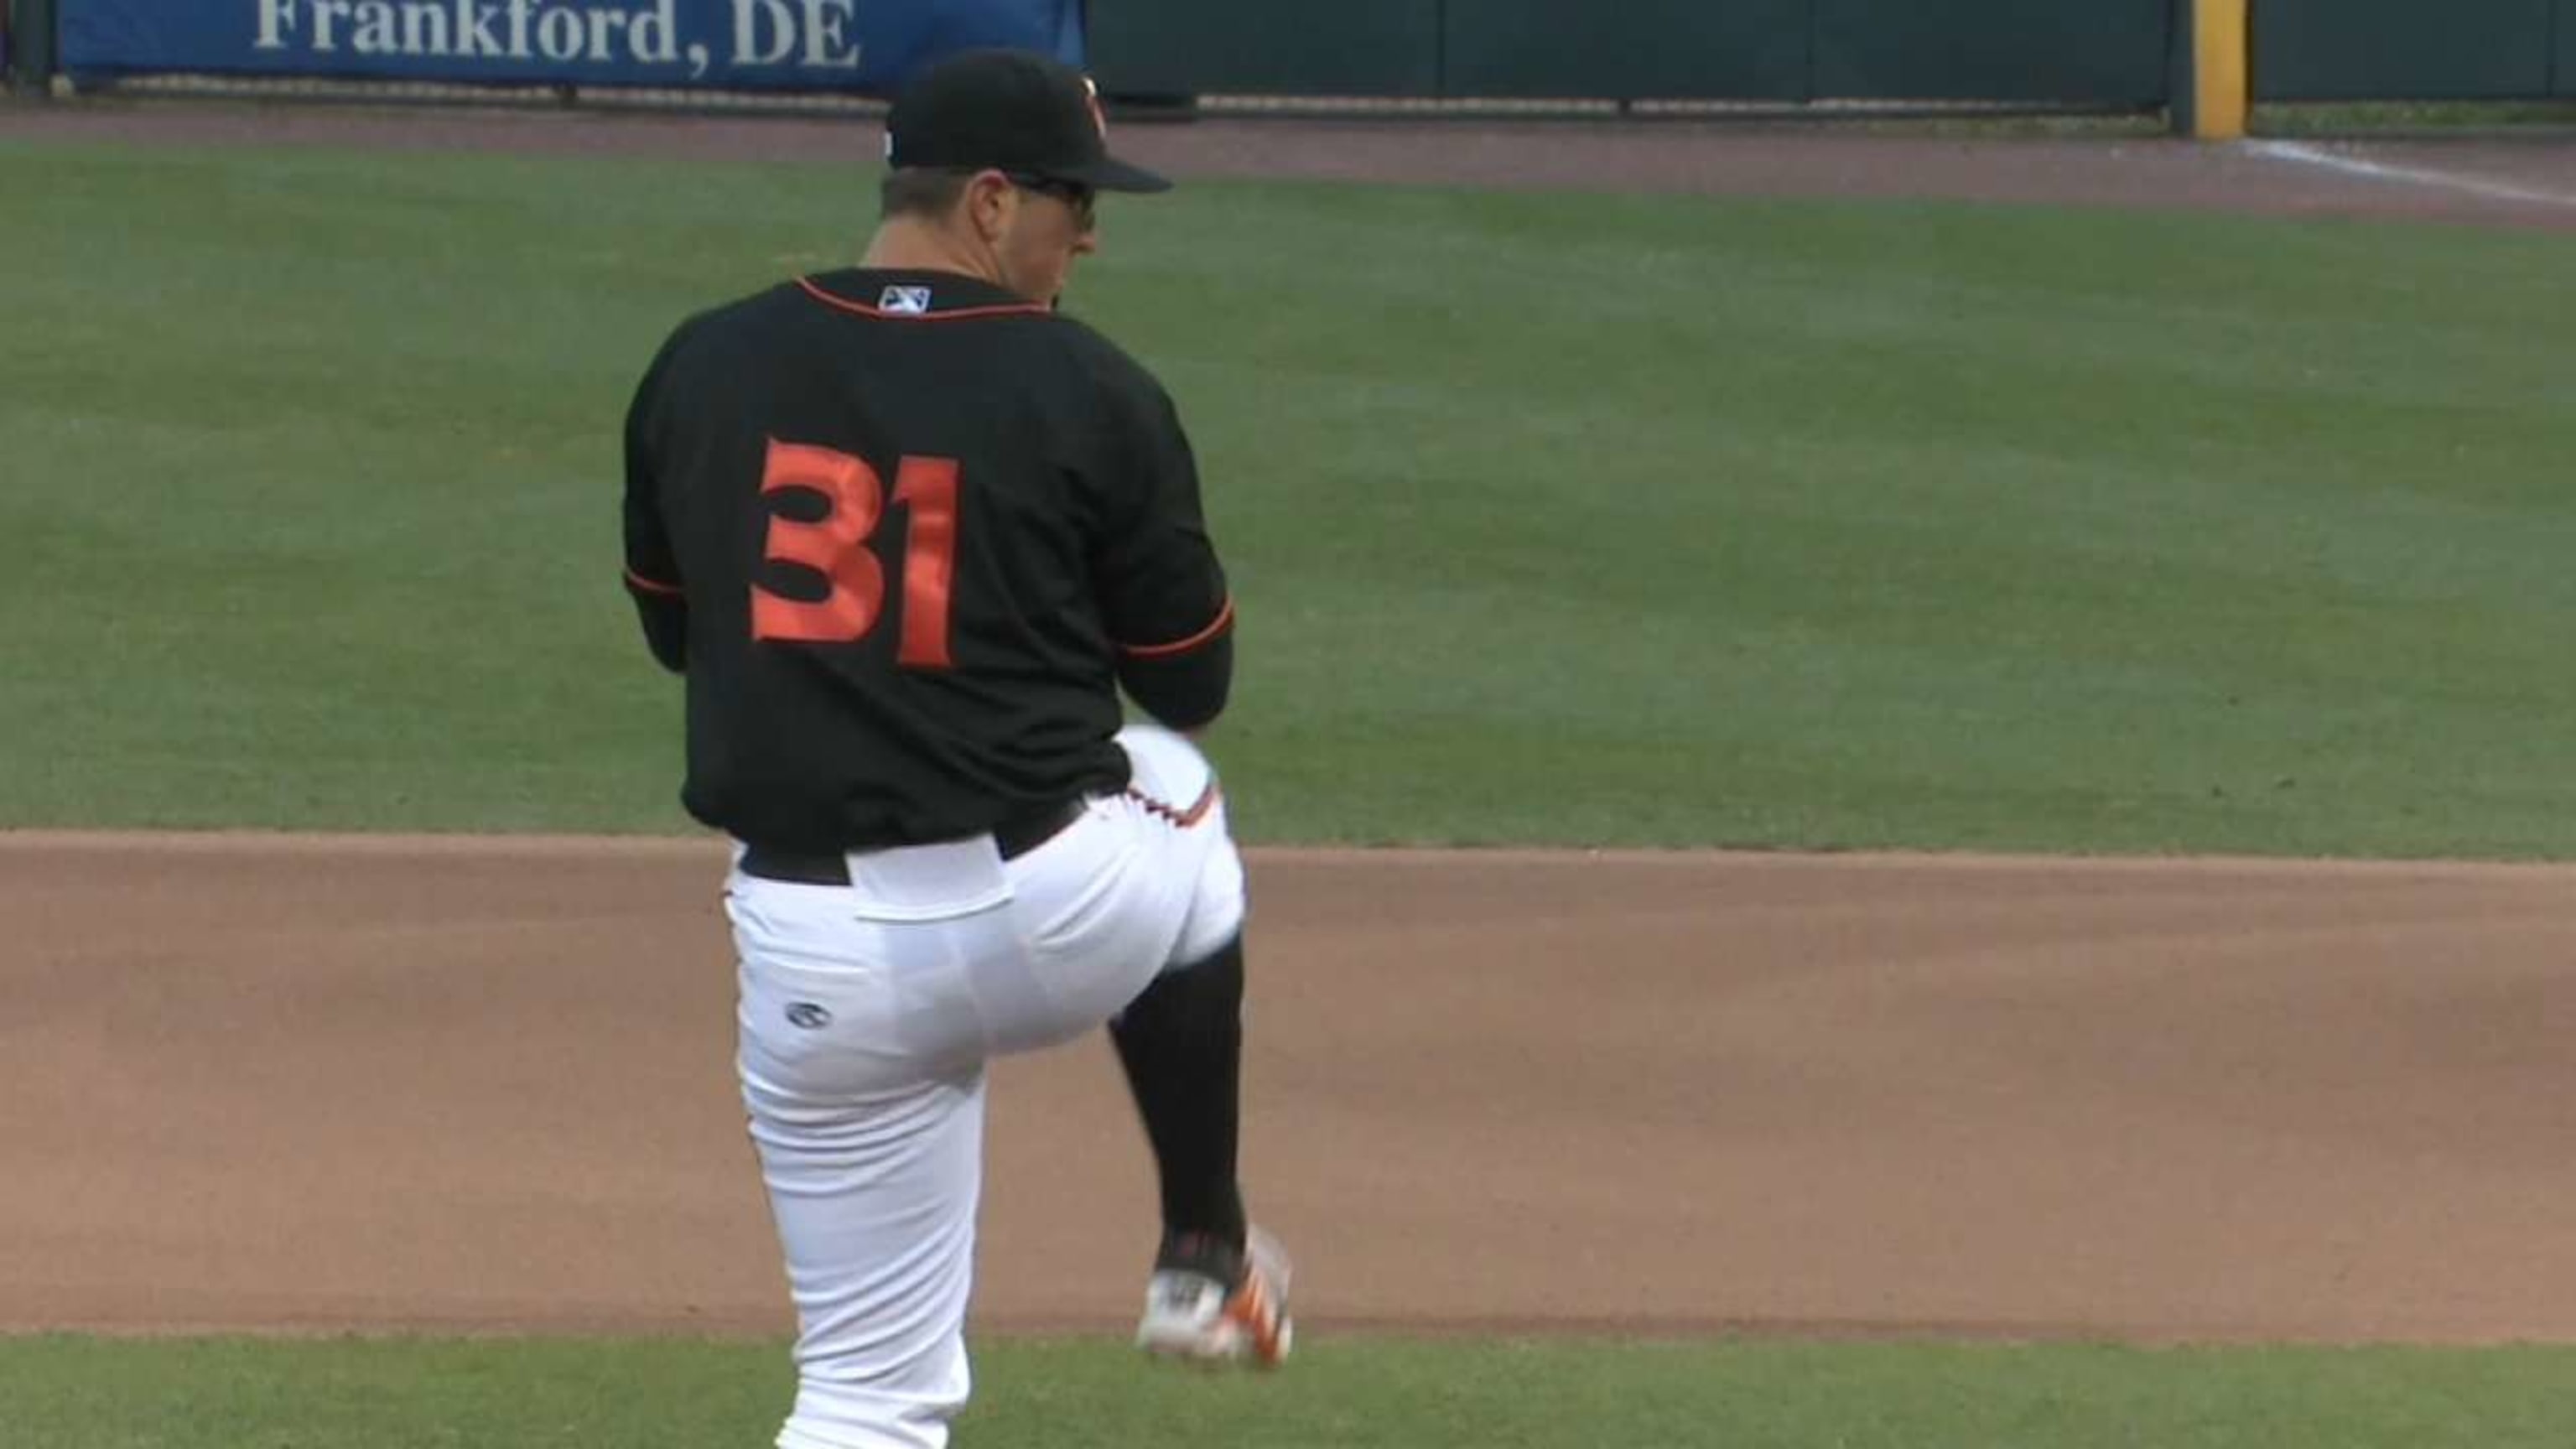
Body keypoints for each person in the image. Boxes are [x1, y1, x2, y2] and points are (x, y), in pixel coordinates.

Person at [617, 46, 1290, 1449]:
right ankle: (1206, 1257)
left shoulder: (704, 361)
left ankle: (1199, 1264)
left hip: (809, 959)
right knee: (1179, 781)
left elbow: (684, 636)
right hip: (1049, 913)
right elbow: (1190, 678)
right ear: (989, 203)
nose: (1089, 234)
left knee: (867, 1396)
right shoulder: (1090, 387)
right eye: (1073, 201)